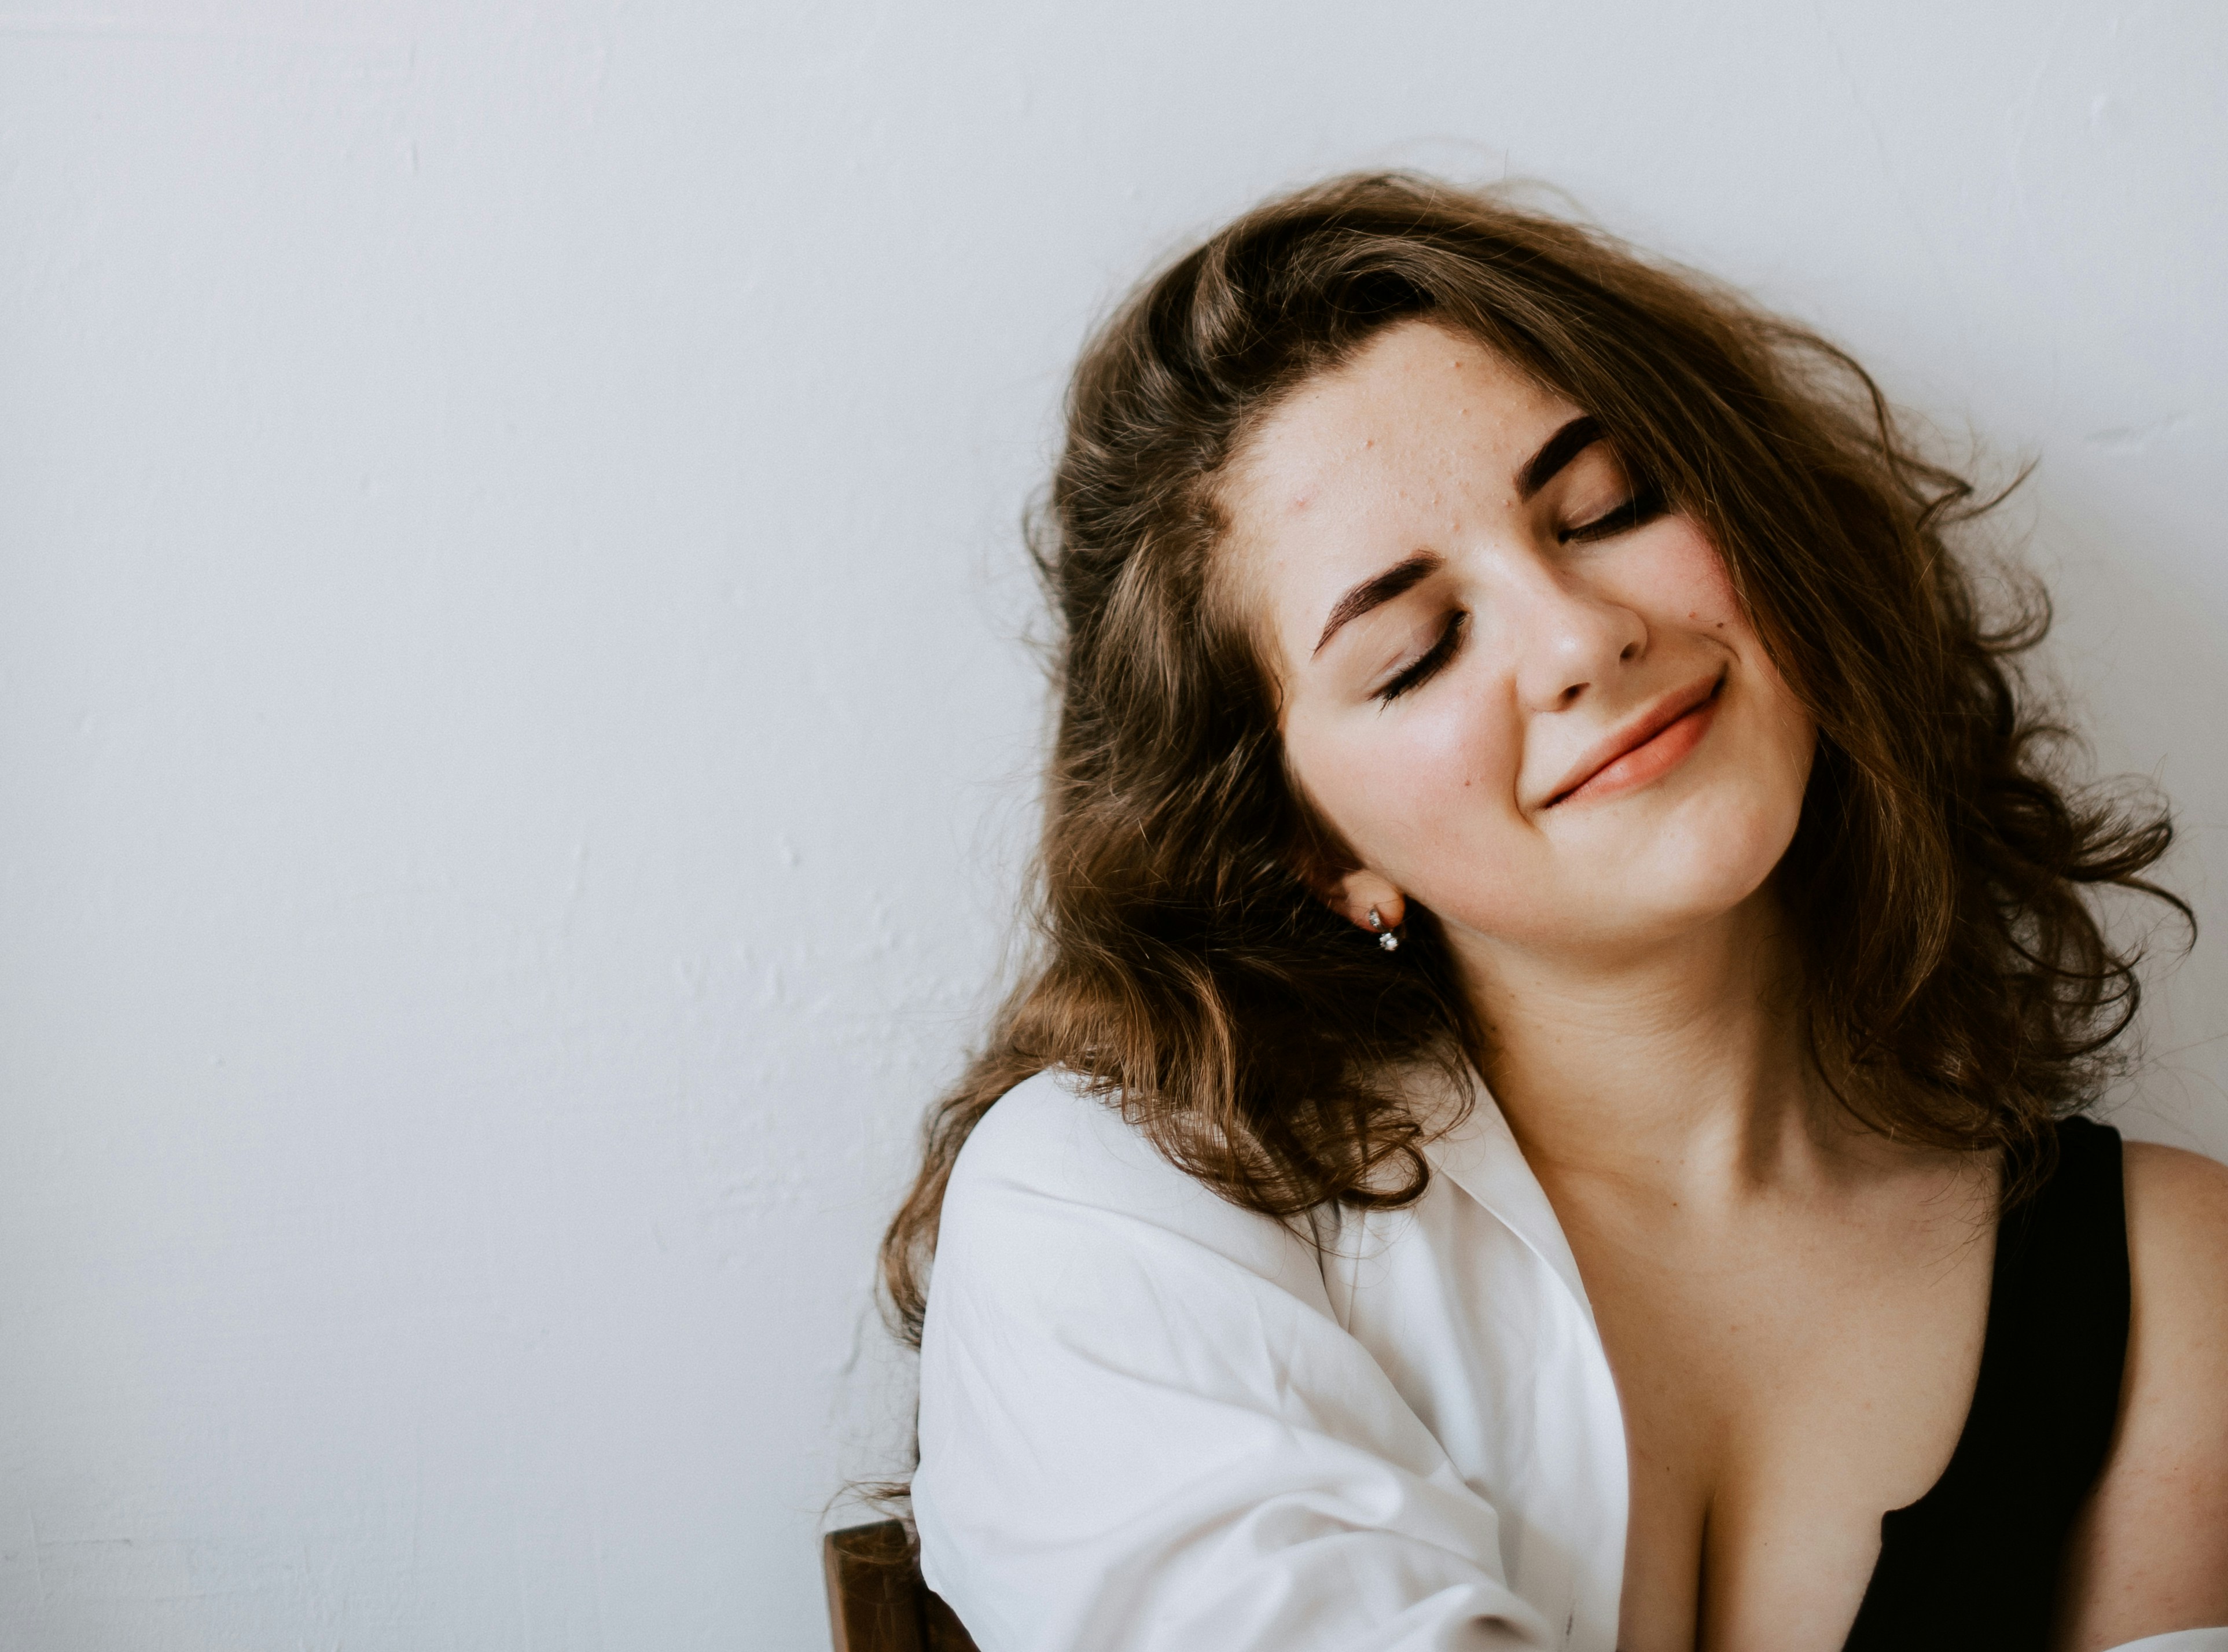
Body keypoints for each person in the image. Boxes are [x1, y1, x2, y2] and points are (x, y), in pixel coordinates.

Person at [880, 174, 2228, 1652]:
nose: (1583, 637)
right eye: (1414, 652)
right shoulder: (1120, 1206)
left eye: (1607, 508)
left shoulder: (2173, 1286)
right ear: (1314, 849)